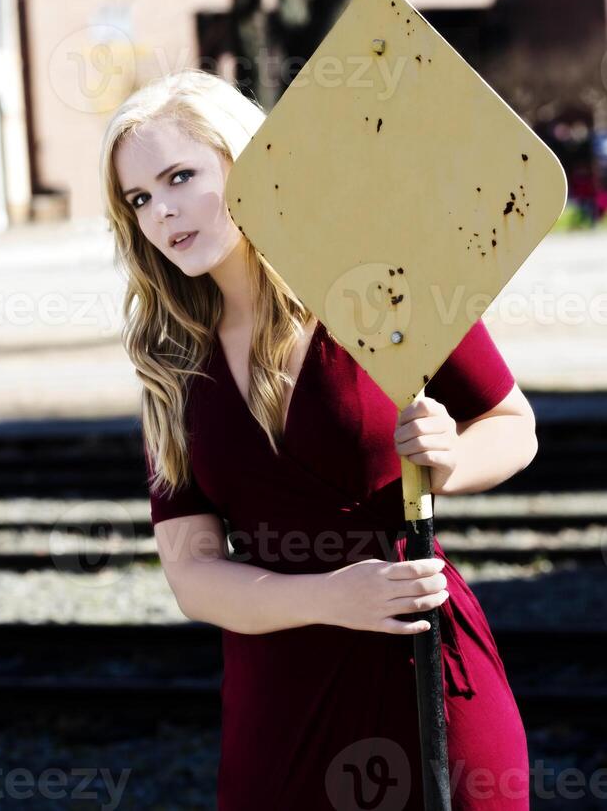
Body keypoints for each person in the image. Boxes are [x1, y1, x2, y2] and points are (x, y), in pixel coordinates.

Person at [99, 68, 538, 811]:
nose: (163, 212)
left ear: (246, 161)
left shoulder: (381, 283)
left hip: (426, 667)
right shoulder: (170, 362)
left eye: (181, 176)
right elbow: (193, 575)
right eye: (140, 198)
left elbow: (512, 425)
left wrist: (452, 461)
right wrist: (331, 597)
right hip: (282, 700)